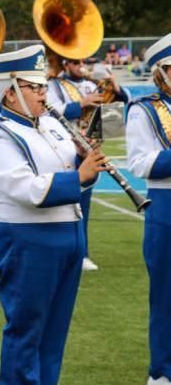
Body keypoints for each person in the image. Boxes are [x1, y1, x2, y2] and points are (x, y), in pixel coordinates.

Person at [0, 45, 108, 385]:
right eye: (34, 87)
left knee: (54, 334)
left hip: (68, 236)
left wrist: (85, 162)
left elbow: (71, 173)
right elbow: (26, 189)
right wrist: (78, 176)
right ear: (10, 92)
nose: (42, 94)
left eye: (44, 86)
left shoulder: (51, 124)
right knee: (26, 332)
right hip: (27, 240)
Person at [47, 54, 130, 271]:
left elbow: (120, 104)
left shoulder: (92, 84)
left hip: (88, 148)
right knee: (63, 203)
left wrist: (115, 88)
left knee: (84, 203)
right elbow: (50, 110)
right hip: (62, 147)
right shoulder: (54, 84)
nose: (81, 66)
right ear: (66, 64)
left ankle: (82, 253)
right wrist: (81, 104)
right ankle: (63, 252)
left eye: (84, 62)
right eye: (76, 62)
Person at [125, 32, 171, 385]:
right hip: (166, 206)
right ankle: (162, 371)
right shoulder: (145, 109)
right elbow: (140, 164)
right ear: (162, 72)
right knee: (166, 296)